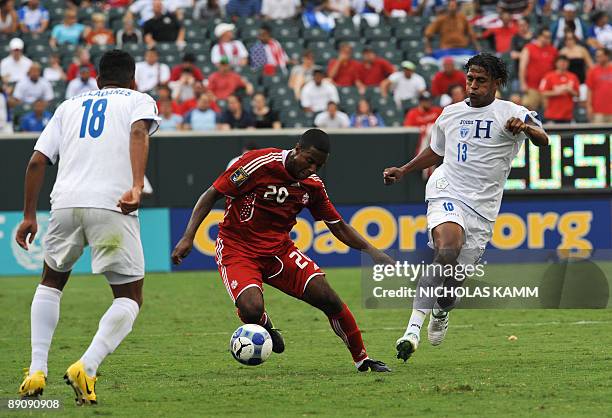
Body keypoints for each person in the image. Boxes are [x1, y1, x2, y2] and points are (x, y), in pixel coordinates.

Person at [171, 128, 393, 372]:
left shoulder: (312, 186)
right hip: (238, 248)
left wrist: (372, 251)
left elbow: (338, 226)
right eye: (309, 161)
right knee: (251, 308)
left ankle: (362, 359)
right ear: (297, 149)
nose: (311, 169)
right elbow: (211, 194)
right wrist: (188, 236)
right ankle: (263, 322)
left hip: (279, 252)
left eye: (318, 166)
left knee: (329, 299)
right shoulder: (258, 163)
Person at [16, 49, 160, 405]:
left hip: (64, 205)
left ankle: (36, 370)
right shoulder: (138, 100)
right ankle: (88, 366)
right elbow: (139, 132)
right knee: (129, 297)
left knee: (51, 282)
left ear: (96, 80)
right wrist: (137, 186)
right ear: (133, 79)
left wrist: (29, 215)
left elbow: (37, 162)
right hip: (111, 204)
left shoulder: (69, 106)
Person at [383, 53, 548, 362]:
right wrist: (404, 170)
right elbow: (436, 151)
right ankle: (411, 331)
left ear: (497, 83)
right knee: (446, 250)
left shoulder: (513, 112)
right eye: (469, 79)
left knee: (450, 288)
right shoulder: (450, 114)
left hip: (483, 207)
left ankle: (441, 313)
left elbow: (544, 139)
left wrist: (525, 128)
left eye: (480, 80)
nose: (472, 86)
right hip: (447, 189)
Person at [519, 27, 557, 110]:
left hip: (547, 88)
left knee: (548, 112)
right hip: (532, 86)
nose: (547, 39)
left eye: (549, 37)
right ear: (539, 36)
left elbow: (556, 68)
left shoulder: (553, 50)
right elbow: (522, 66)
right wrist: (523, 83)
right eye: (545, 37)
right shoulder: (529, 48)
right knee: (530, 112)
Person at [539, 55, 579, 123]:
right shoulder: (548, 76)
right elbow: (542, 92)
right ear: (556, 63)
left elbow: (577, 94)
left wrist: (569, 90)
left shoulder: (573, 77)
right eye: (561, 62)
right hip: (552, 115)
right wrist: (556, 92)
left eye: (565, 62)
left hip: (568, 115)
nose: (563, 64)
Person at [585, 47, 612, 123]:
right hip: (598, 111)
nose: (597, 58)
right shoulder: (593, 71)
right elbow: (589, 90)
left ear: (607, 56)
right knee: (598, 133)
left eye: (600, 56)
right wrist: (589, 106)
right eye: (596, 56)